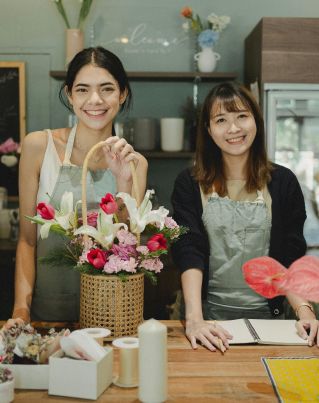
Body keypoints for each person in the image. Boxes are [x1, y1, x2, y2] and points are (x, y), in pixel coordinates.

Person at [171, 81, 318, 352]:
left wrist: (305, 311)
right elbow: (188, 249)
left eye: (242, 116)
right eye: (221, 120)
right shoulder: (189, 183)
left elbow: (289, 254)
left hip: (273, 321)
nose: (234, 129)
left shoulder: (283, 182)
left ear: (256, 121)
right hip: (205, 319)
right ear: (208, 129)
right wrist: (195, 320)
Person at [11, 46, 148, 323]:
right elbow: (27, 241)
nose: (94, 100)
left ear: (122, 94)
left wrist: (123, 180)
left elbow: (128, 249)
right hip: (49, 314)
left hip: (111, 317)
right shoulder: (40, 146)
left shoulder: (136, 163)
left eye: (107, 89)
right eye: (83, 89)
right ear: (69, 94)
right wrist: (21, 312)